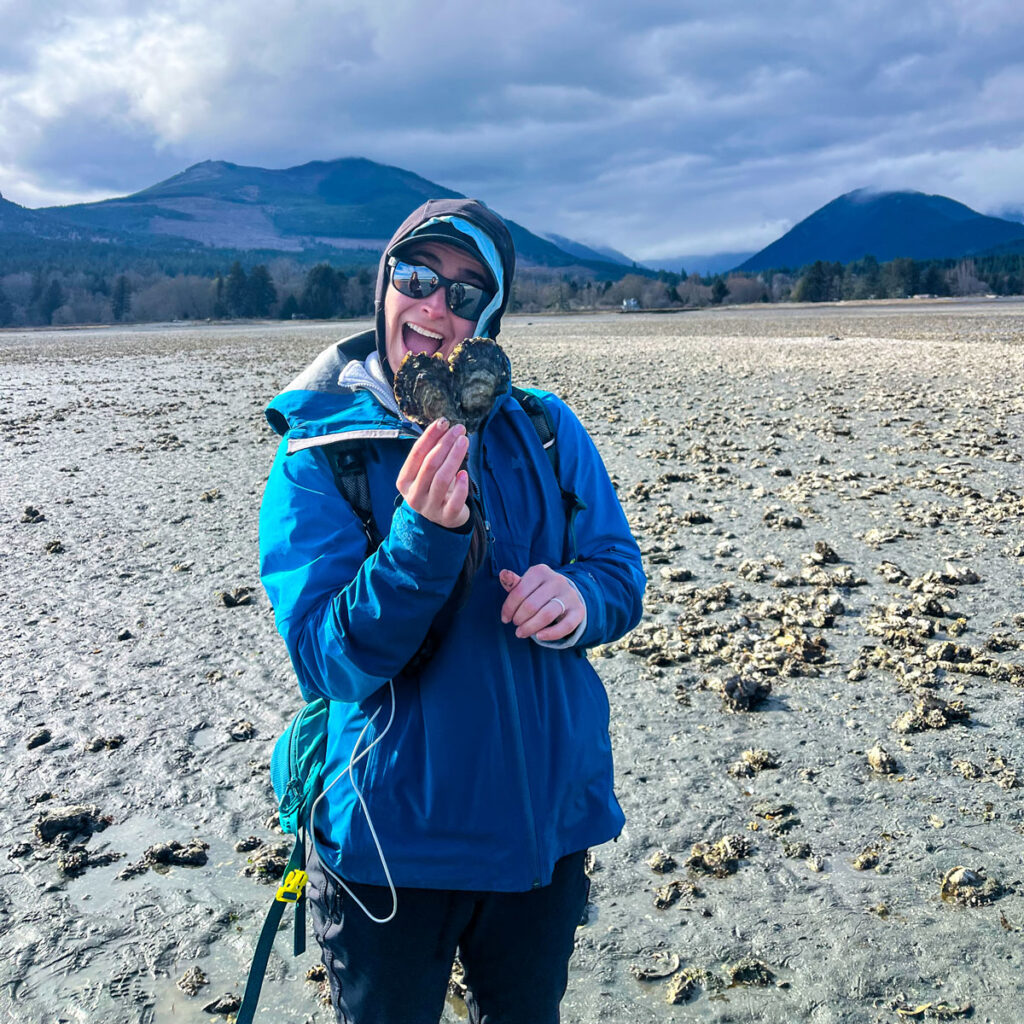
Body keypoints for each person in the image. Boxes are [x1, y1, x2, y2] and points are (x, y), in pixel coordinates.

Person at [259, 197, 645, 1024]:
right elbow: (327, 661)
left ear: (490, 318)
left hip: (542, 832)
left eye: (467, 293)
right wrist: (422, 542)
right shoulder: (320, 454)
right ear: (385, 285)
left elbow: (618, 571)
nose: (436, 306)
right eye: (418, 276)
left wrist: (580, 600)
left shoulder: (546, 429)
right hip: (388, 848)